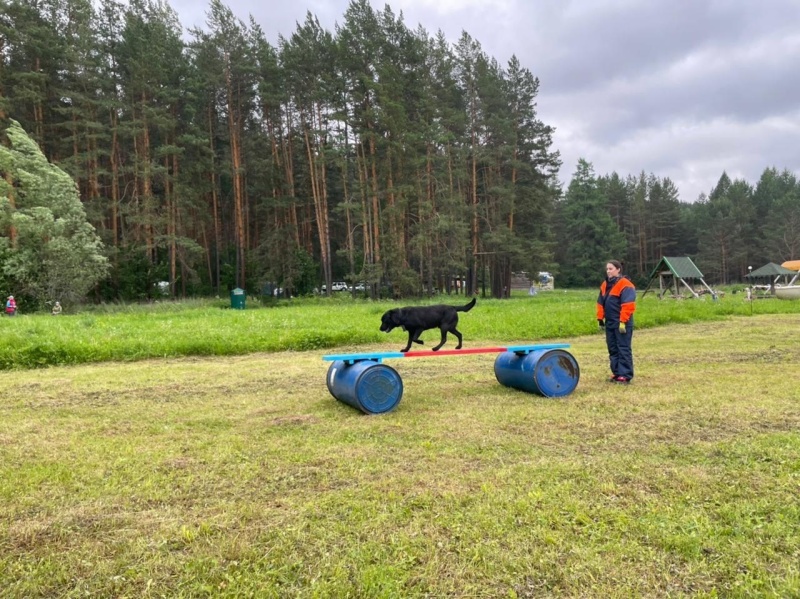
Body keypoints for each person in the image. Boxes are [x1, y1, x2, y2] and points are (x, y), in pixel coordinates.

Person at [596, 260, 636, 384]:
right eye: (607, 269)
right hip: (610, 322)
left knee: (623, 348)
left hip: (622, 323)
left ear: (618, 269)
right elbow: (600, 302)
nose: (608, 271)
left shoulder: (626, 284)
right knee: (612, 348)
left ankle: (625, 375)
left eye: (611, 268)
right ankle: (617, 373)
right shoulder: (605, 284)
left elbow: (628, 304)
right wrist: (600, 319)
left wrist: (623, 321)